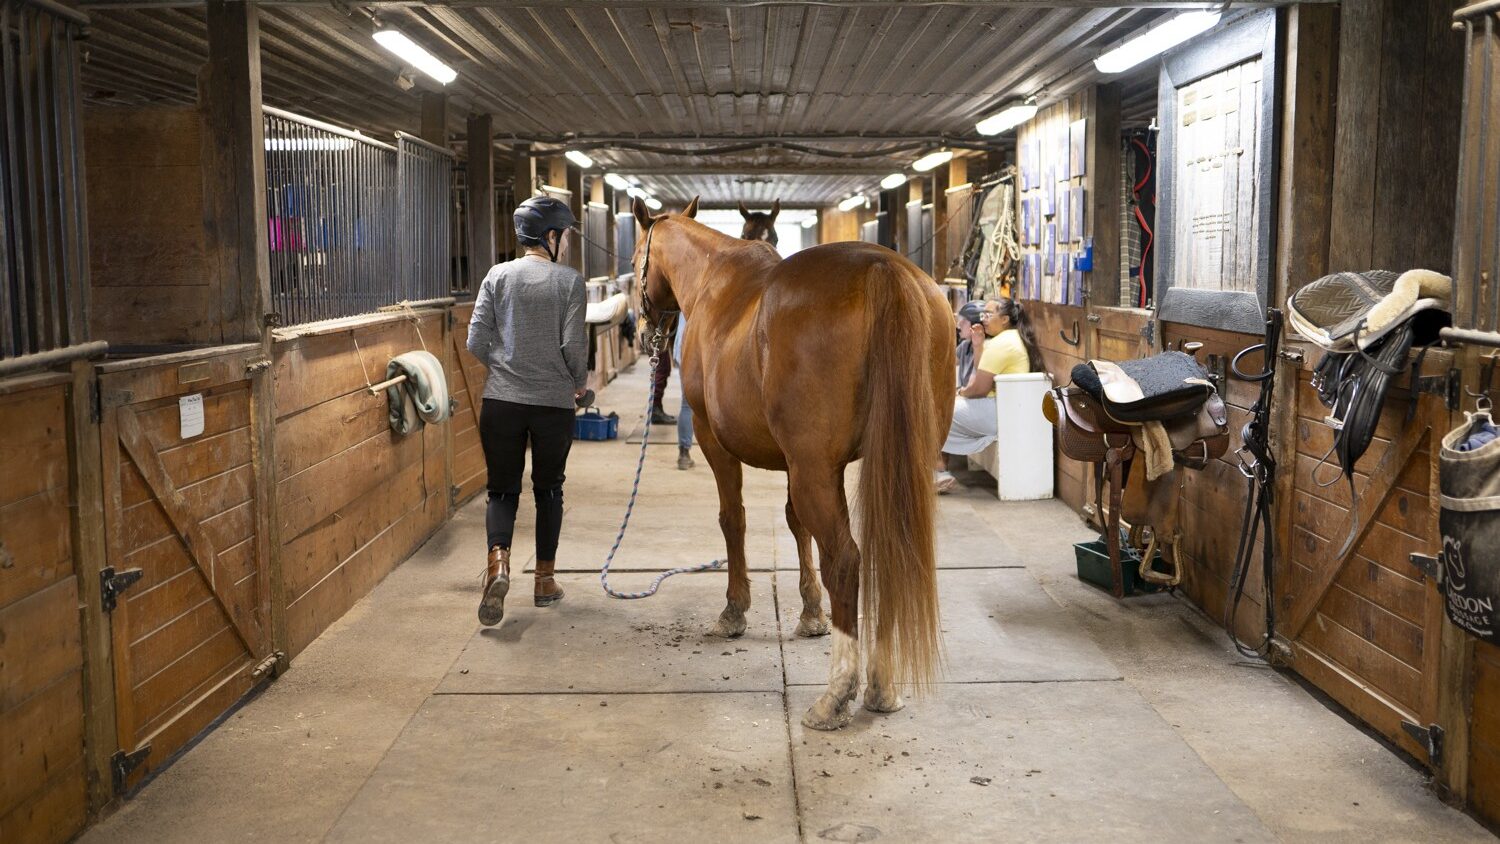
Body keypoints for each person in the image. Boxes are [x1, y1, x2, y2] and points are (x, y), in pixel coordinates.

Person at [467, 195, 589, 626]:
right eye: (566, 234)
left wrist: (505, 369)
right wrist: (579, 382)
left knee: (501, 491)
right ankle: (543, 582)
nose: (569, 242)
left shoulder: (496, 276)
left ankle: (498, 565)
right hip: (553, 405)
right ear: (550, 236)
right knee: (548, 489)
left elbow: (475, 339)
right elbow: (573, 346)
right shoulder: (569, 282)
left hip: (500, 402)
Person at [935, 298, 1043, 492]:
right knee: (936, 409)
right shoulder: (1008, 338)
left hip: (996, 411)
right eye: (983, 314)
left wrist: (960, 393)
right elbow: (981, 371)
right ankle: (937, 470)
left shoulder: (1002, 343)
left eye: (989, 314)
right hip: (1003, 408)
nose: (983, 319)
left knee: (933, 412)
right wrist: (978, 346)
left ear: (1004, 319)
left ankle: (937, 471)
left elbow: (979, 389)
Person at [673, 315, 695, 470]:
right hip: (697, 350)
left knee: (687, 404)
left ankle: (684, 454)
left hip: (684, 349)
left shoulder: (686, 294)